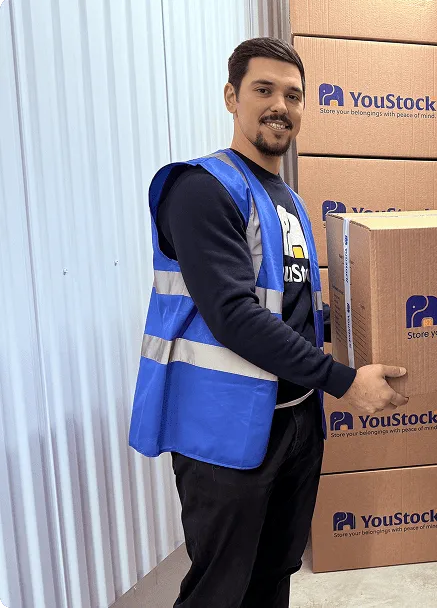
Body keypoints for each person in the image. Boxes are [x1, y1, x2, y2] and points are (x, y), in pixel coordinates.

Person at [128, 37, 408, 608]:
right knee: (220, 587)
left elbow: (299, 312)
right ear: (232, 97)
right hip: (223, 428)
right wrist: (345, 380)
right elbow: (233, 314)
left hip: (295, 421)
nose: (280, 105)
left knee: (274, 572)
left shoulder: (288, 200)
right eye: (263, 90)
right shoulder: (201, 189)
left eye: (293, 94)